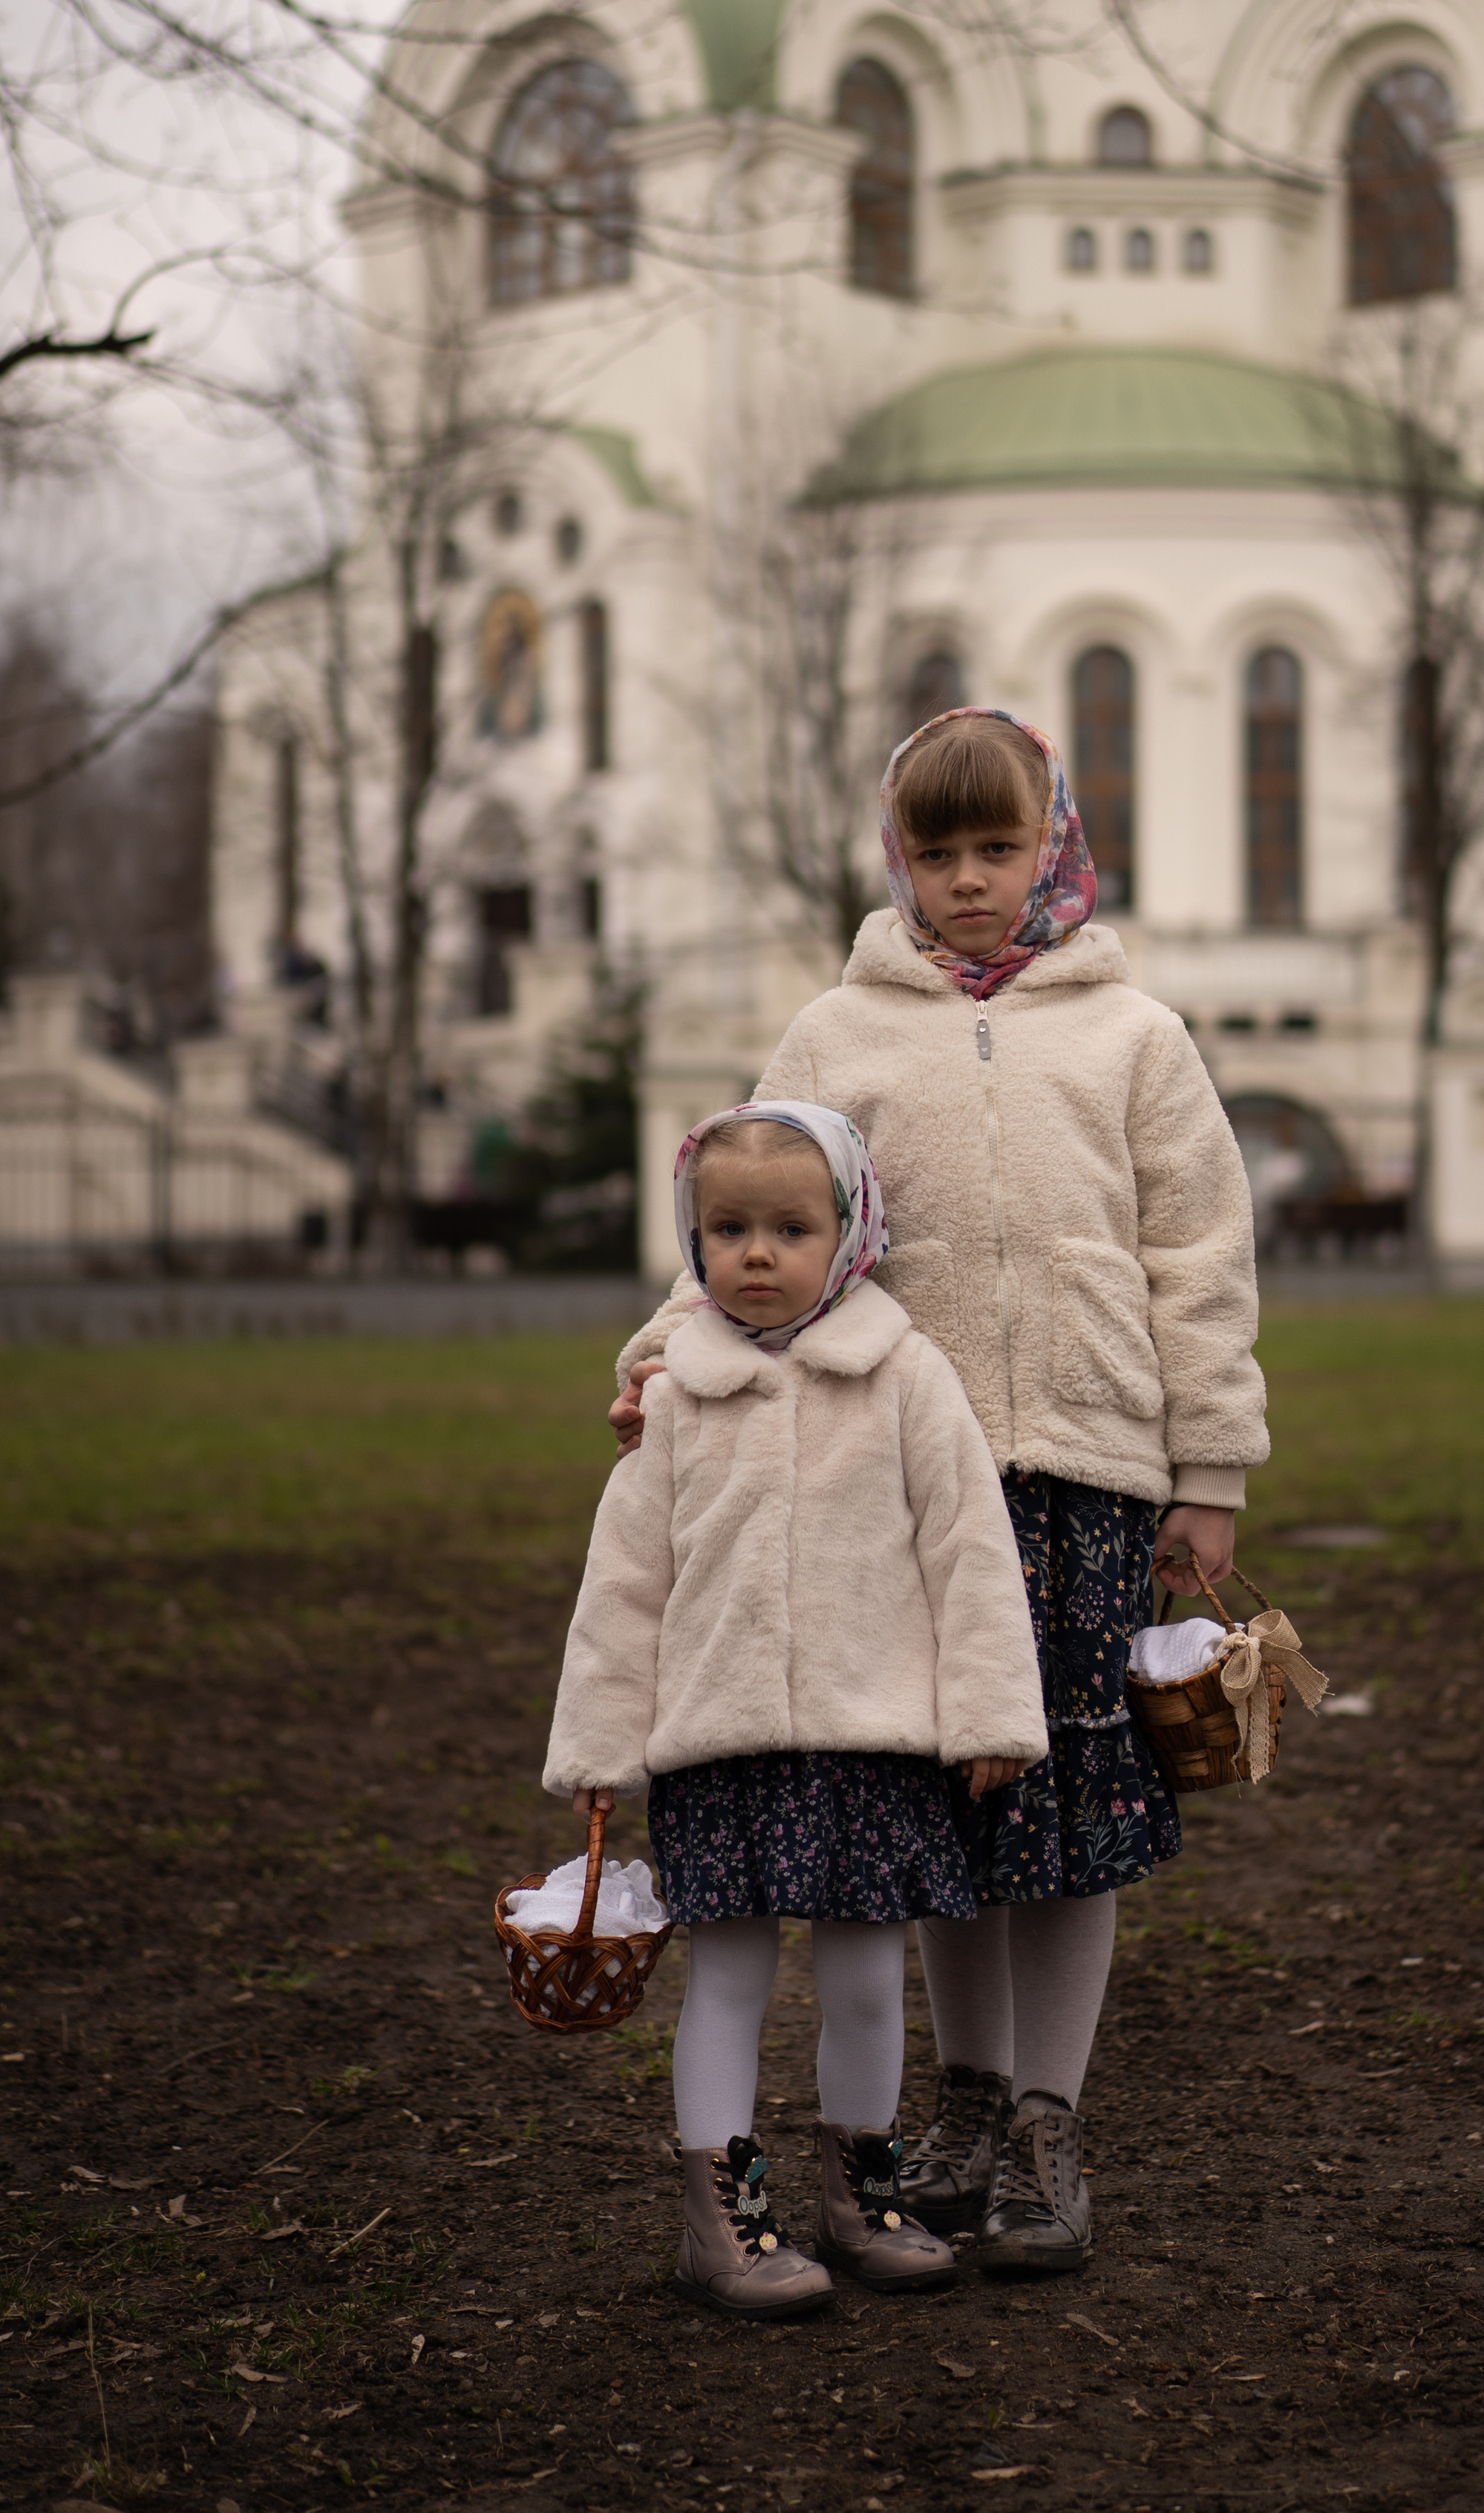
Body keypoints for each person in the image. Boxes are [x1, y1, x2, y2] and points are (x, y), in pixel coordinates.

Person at [610, 710, 1269, 2272]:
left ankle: (1047, 2119)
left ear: (1056, 842)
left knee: (1069, 1810)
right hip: (892, 1480)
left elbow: (1199, 1259)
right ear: (893, 858)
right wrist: (659, 1353)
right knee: (940, 1799)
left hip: (1087, 1485)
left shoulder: (1136, 1037)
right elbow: (754, 1217)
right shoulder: (839, 1034)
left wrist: (1209, 1469)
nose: (970, 882)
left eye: (1000, 847)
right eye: (937, 852)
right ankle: (959, 2104)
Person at [544, 1099, 1047, 2321]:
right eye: (727, 1229)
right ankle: (729, 2217)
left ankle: (859, 2195)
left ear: (853, 1233)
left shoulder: (908, 1378)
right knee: (726, 1980)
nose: (756, 1254)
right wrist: (601, 1750)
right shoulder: (675, 1400)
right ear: (693, 1238)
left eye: (789, 1227)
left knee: (871, 1979)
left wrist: (987, 1713)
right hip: (719, 1748)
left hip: (873, 1745)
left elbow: (970, 1553)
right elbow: (625, 1586)